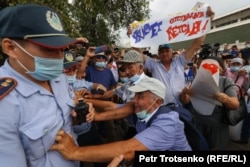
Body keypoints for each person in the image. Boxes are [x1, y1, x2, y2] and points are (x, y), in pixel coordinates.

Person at [0, 4, 92, 167]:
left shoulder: (58, 77)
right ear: (11, 47)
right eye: (49, 49)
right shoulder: (5, 102)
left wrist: (80, 117)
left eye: (62, 48)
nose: (59, 57)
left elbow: (71, 128)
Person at [50, 77, 191, 163]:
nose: (134, 100)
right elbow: (112, 107)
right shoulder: (143, 107)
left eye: (140, 96)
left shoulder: (168, 124)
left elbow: (129, 147)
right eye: (135, 95)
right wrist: (85, 102)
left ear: (158, 102)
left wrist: (74, 151)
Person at [129, 6, 215, 106]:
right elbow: (140, 54)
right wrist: (132, 37)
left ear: (172, 51)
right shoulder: (153, 64)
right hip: (162, 107)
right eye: (161, 51)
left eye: (167, 51)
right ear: (158, 54)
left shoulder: (181, 61)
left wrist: (207, 21)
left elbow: (196, 44)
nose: (164, 54)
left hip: (182, 105)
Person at [180, 56, 240, 150]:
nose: (207, 70)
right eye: (204, 67)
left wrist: (226, 99)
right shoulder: (196, 81)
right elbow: (185, 100)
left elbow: (235, 105)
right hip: (198, 124)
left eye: (212, 67)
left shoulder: (225, 81)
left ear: (220, 69)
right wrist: (184, 92)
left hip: (217, 127)